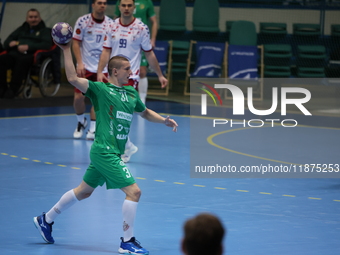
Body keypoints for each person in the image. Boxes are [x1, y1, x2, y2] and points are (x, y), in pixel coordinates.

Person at [33, 39, 178, 255]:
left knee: (83, 192)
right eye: (127, 69)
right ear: (114, 71)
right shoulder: (100, 89)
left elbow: (145, 112)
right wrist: (65, 49)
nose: (131, 71)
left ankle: (46, 219)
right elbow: (72, 78)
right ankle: (127, 242)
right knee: (134, 192)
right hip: (104, 151)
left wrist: (164, 120)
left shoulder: (130, 93)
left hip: (111, 152)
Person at [97, 0, 167, 163]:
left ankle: (123, 148)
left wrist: (160, 75)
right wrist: (100, 71)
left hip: (130, 78)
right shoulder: (112, 26)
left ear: (134, 8)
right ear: (119, 8)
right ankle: (127, 145)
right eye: (124, 5)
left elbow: (149, 54)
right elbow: (106, 51)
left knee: (120, 114)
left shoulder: (141, 28)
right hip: (112, 77)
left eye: (130, 5)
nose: (127, 8)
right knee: (110, 113)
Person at [72, 0, 114, 140]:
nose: (102, 5)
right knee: (78, 98)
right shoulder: (83, 21)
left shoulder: (111, 24)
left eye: (105, 3)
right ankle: (81, 122)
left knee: (97, 100)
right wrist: (79, 63)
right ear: (93, 5)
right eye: (99, 2)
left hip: (102, 69)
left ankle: (93, 129)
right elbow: (76, 43)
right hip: (85, 67)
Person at [0, 9, 52, 98]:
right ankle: (2, 89)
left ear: (39, 18)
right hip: (15, 53)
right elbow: (7, 42)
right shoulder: (21, 29)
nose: (33, 19)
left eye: (35, 17)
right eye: (31, 17)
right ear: (27, 19)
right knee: (2, 60)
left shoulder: (45, 31)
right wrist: (15, 43)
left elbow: (46, 44)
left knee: (21, 62)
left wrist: (29, 46)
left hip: (30, 55)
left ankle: (13, 90)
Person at [114, 0, 158, 104]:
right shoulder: (121, 1)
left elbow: (154, 21)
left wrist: (153, 39)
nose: (126, 8)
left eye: (129, 6)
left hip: (139, 38)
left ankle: (142, 100)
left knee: (142, 71)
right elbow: (115, 19)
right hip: (125, 38)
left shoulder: (147, 2)